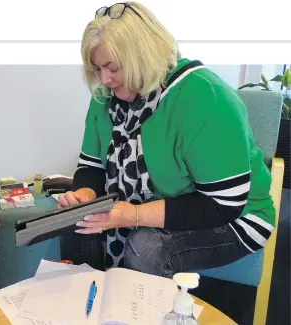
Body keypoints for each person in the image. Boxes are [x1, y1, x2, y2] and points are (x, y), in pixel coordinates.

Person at [57, 2, 275, 278]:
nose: (104, 79)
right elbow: (91, 167)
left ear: (143, 57)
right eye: (97, 69)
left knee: (145, 248)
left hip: (237, 216)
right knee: (79, 226)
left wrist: (134, 216)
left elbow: (222, 204)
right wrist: (83, 199)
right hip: (157, 208)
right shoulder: (104, 98)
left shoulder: (205, 99)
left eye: (112, 67)